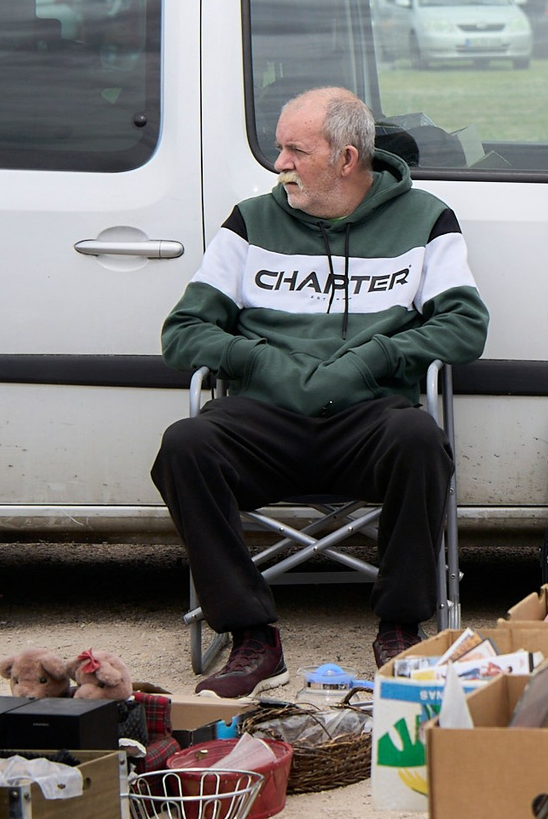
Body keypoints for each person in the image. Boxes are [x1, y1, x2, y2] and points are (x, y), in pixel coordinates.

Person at [154, 87, 489, 689]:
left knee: (420, 437)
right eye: (280, 149)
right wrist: (260, 361)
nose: (279, 164)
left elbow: (464, 327)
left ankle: (401, 627)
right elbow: (182, 333)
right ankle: (252, 639)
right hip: (264, 421)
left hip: (369, 420)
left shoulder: (424, 218)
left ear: (346, 158)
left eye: (295, 151)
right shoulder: (250, 221)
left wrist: (372, 359)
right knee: (185, 445)